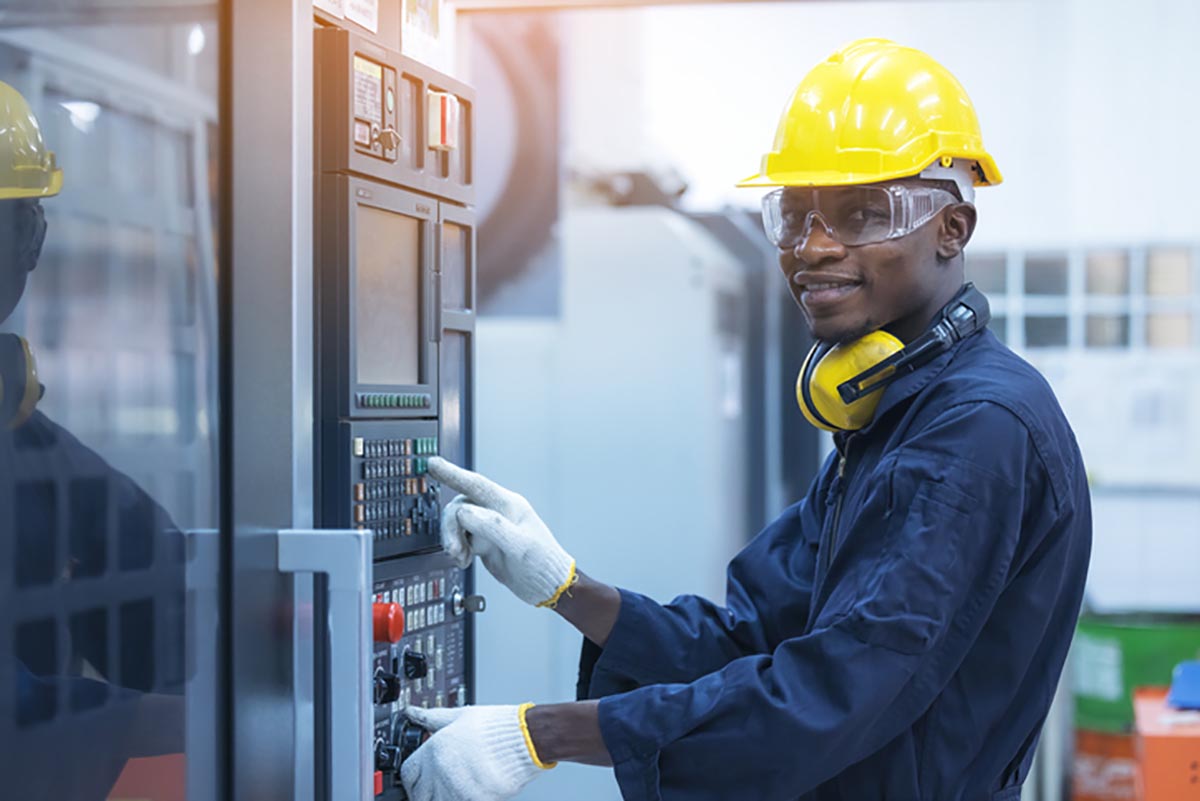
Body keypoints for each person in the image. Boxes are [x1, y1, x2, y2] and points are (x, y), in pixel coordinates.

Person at [402, 39, 1091, 801]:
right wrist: (567, 587)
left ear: (952, 229)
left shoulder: (975, 432)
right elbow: (749, 634)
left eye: (863, 213)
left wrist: (540, 734)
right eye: (795, 215)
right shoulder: (894, 416)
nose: (813, 249)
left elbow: (827, 694)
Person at [0, 80, 185, 799]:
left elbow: (165, 589)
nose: (34, 240)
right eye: (21, 218)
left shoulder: (27, 445)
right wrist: (232, 724)